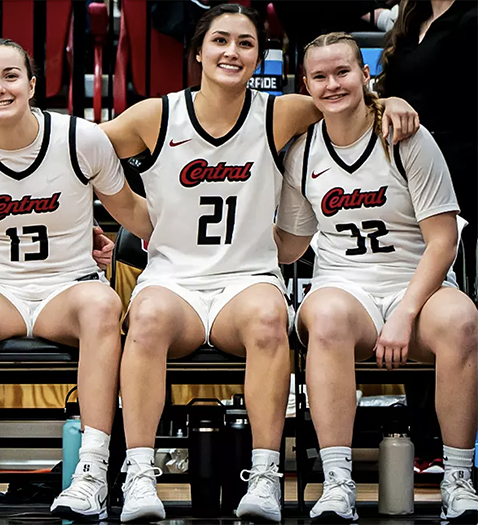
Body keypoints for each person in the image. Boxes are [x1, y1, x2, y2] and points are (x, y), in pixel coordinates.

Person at [94, 3, 418, 522]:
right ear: (198, 51)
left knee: (271, 318)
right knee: (147, 318)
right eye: (220, 40)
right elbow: (73, 150)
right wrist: (124, 214)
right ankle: (139, 476)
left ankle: (265, 475)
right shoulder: (155, 114)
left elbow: (345, 100)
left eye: (246, 43)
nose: (232, 52)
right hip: (173, 281)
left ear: (258, 57)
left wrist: (389, 100)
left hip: (246, 281)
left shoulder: (280, 112)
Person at [0, 37, 153, 521]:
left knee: (102, 305)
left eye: (11, 76)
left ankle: (92, 473)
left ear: (33, 85)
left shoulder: (82, 139)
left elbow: (134, 214)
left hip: (68, 286)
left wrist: (198, 243)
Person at [276, 31, 478, 521]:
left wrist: (406, 312)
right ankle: (338, 482)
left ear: (366, 75)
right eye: (319, 76)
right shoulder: (302, 152)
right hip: (345, 288)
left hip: (418, 285)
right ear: (306, 84)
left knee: (463, 321)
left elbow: (443, 242)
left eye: (343, 72)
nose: (332, 84)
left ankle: (458, 477)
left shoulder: (406, 136)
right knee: (323, 318)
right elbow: (290, 245)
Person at [376, 0, 478, 472]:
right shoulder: (411, 18)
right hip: (410, 181)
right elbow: (383, 94)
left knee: (460, 307)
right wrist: (386, 101)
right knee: (416, 289)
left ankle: (459, 447)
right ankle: (427, 441)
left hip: (466, 171)